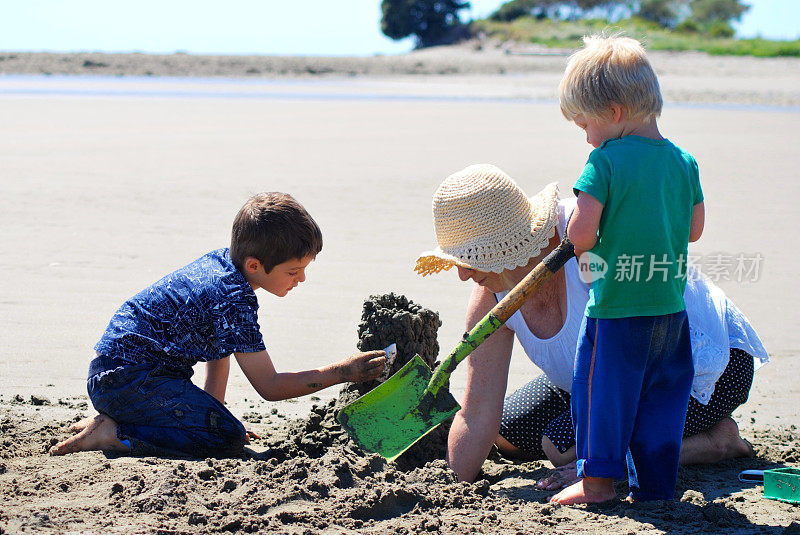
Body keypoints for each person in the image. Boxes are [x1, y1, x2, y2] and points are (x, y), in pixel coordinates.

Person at [414, 164, 767, 497]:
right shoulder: (490, 292)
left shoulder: (589, 245)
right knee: (507, 435)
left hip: (696, 368)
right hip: (595, 376)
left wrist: (601, 467)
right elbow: (477, 412)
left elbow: (635, 359)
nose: (462, 274)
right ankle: (657, 442)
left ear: (503, 243)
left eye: (469, 259)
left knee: (561, 447)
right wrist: (452, 483)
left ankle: (717, 443)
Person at [51, 192, 386, 458]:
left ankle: (119, 417)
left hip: (115, 374)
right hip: (132, 380)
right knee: (228, 439)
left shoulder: (223, 264)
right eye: (293, 271)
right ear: (255, 265)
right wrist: (343, 372)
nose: (302, 279)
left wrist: (212, 410)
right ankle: (116, 435)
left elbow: (218, 348)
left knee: (218, 425)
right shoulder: (234, 300)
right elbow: (269, 386)